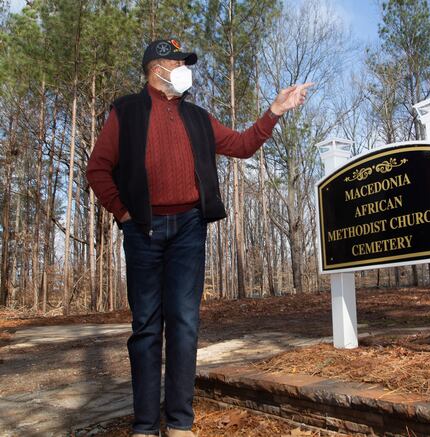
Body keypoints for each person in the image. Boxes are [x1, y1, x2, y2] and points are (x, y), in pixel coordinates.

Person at [85, 38, 313, 437]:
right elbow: (98, 169)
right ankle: (144, 425)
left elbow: (242, 145)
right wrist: (122, 213)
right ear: (156, 68)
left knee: (185, 323)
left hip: (189, 228)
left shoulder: (198, 117)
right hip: (143, 229)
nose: (183, 68)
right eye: (177, 61)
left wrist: (275, 110)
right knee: (146, 328)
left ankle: (179, 423)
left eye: (185, 62)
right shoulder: (126, 111)